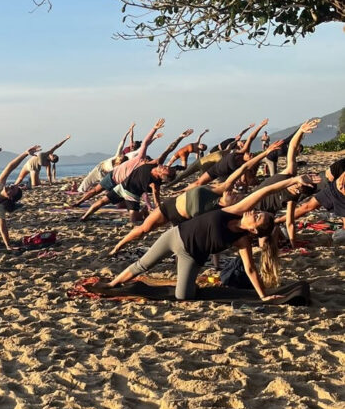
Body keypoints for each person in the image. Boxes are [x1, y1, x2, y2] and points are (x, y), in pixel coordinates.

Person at [105, 176, 307, 301]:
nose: (254, 212)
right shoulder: (235, 210)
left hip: (192, 257)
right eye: (258, 212)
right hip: (174, 237)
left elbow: (250, 269)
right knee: (143, 265)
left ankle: (187, 283)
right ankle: (113, 283)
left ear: (254, 230)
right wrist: (294, 180)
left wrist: (262, 296)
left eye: (257, 216)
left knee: (183, 296)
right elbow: (265, 191)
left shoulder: (242, 240)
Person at [108, 140, 286, 255]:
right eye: (235, 192)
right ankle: (117, 246)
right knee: (143, 230)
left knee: (172, 246)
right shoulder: (219, 189)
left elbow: (214, 238)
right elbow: (242, 169)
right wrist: (265, 153)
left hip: (184, 225)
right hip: (170, 209)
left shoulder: (222, 214)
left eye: (236, 196)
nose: (233, 193)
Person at [79, 128, 191, 223]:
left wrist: (157, 211)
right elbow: (169, 149)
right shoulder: (155, 163)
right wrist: (180, 137)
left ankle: (143, 212)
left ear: (162, 176)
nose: (166, 166)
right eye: (167, 167)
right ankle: (84, 217)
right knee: (100, 202)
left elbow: (157, 201)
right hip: (121, 187)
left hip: (132, 196)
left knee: (134, 221)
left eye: (166, 170)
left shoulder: (154, 184)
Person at [74, 118, 166, 208]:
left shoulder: (144, 171)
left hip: (120, 184)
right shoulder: (137, 157)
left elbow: (144, 190)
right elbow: (145, 143)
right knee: (95, 191)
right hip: (112, 176)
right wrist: (154, 129)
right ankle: (79, 202)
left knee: (120, 205)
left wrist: (149, 205)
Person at [183, 119, 270, 189]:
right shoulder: (243, 151)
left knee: (221, 186)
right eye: (251, 154)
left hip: (226, 176)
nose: (251, 154)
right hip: (217, 168)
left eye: (251, 157)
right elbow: (251, 138)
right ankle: (181, 191)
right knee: (199, 183)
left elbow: (244, 178)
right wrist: (260, 126)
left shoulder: (245, 166)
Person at [77, 124, 135, 194]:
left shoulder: (120, 166)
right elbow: (121, 144)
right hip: (99, 168)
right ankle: (80, 190)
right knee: (88, 180)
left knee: (103, 187)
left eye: (123, 156)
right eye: (122, 155)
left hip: (104, 174)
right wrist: (127, 133)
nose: (122, 155)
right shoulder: (117, 156)